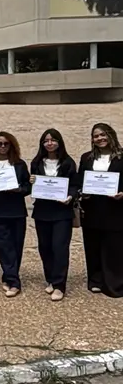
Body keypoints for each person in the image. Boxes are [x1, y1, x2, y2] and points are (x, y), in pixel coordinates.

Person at [29, 129, 78, 302]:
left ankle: (59, 285)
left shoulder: (68, 163)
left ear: (59, 142)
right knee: (45, 247)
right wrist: (32, 181)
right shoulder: (36, 162)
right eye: (46, 141)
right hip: (42, 211)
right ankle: (50, 278)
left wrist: (70, 197)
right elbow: (33, 185)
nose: (49, 143)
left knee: (60, 248)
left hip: (62, 212)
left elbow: (74, 185)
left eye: (53, 140)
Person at [0, 132, 31, 298]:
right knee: (3, 246)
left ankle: (9, 276)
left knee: (16, 246)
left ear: (11, 145)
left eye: (6, 144)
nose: (2, 147)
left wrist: (19, 189)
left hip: (17, 210)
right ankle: (14, 282)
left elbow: (28, 187)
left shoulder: (19, 164)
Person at [77, 123, 123, 298]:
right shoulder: (86, 158)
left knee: (114, 246)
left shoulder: (122, 156)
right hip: (92, 207)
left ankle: (114, 283)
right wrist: (82, 192)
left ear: (111, 135)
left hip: (115, 208)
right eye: (96, 136)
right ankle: (95, 280)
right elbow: (80, 180)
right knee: (92, 245)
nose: (100, 138)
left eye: (103, 135)